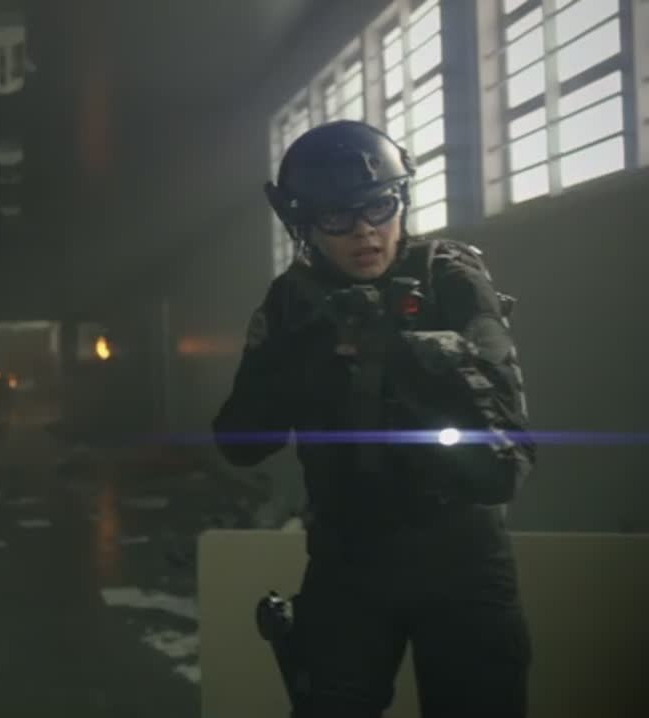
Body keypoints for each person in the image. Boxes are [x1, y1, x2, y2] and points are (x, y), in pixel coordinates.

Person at [213, 120, 535, 717]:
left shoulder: (448, 277)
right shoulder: (293, 302)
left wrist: (404, 363)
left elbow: (504, 466)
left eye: (379, 206)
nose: (365, 230)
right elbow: (239, 440)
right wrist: (307, 360)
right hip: (348, 559)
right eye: (338, 217)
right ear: (305, 226)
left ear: (401, 201)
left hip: (460, 557)